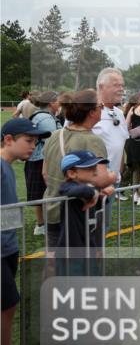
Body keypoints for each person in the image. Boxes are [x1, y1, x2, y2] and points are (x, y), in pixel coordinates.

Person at [1, 118, 50, 345]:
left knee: (7, 303)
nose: (34, 147)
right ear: (9, 140)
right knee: (8, 302)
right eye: (29, 141)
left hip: (8, 246)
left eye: (36, 142)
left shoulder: (8, 167)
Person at [41, 90, 112, 249]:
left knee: (55, 264)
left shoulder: (55, 135)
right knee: (84, 265)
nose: (103, 110)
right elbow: (101, 179)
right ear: (92, 112)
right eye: (100, 106)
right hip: (80, 214)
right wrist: (114, 176)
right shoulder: (93, 141)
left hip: (52, 208)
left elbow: (45, 174)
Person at [56, 151, 115, 264]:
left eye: (95, 167)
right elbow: (76, 191)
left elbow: (98, 205)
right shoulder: (68, 186)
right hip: (72, 249)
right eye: (89, 168)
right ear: (72, 174)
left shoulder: (90, 188)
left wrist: (102, 195)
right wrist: (94, 192)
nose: (94, 171)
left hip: (88, 244)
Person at [25, 91, 60, 236]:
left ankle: (41, 224)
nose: (60, 104)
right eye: (58, 101)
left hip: (36, 159)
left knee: (39, 194)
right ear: (51, 103)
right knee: (44, 193)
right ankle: (42, 224)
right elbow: (53, 141)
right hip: (42, 160)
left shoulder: (40, 115)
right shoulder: (46, 118)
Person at [92, 68, 129, 185]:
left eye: (122, 85)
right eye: (116, 85)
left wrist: (118, 174)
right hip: (92, 183)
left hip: (113, 181)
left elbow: (120, 145)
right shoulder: (85, 112)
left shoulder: (119, 113)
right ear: (102, 87)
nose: (121, 89)